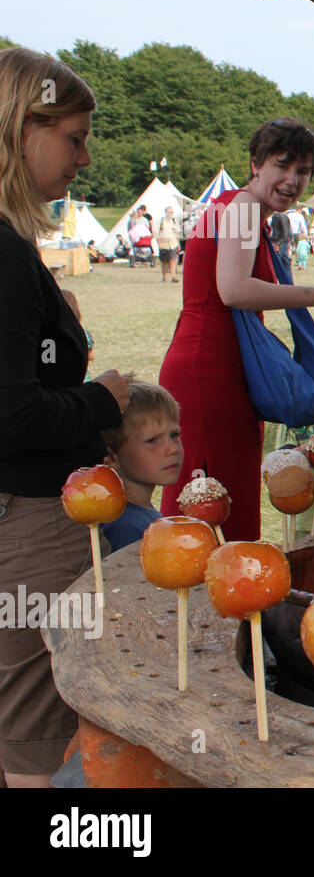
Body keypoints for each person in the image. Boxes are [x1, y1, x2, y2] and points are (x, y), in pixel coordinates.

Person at [0, 46, 130, 788]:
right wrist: (101, 397)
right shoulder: (6, 254)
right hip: (29, 520)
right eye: (74, 138)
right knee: (37, 728)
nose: (83, 158)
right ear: (24, 130)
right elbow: (10, 415)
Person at [158, 117, 314, 543]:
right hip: (210, 367)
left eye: (303, 171)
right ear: (255, 164)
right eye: (282, 166)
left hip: (220, 362)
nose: (292, 180)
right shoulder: (245, 208)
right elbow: (232, 290)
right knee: (211, 503)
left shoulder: (241, 208)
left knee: (216, 498)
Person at [101, 383, 183, 552]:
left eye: (174, 435)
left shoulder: (137, 516)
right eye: (153, 440)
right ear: (112, 457)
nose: (173, 448)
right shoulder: (126, 529)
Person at [156, 206, 181, 282]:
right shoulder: (161, 221)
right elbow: (156, 233)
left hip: (173, 243)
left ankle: (173, 276)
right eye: (169, 212)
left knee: (172, 260)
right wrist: (159, 243)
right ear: (166, 212)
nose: (171, 214)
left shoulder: (174, 221)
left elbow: (177, 233)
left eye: (172, 212)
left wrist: (178, 244)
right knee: (164, 261)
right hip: (163, 244)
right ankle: (164, 276)